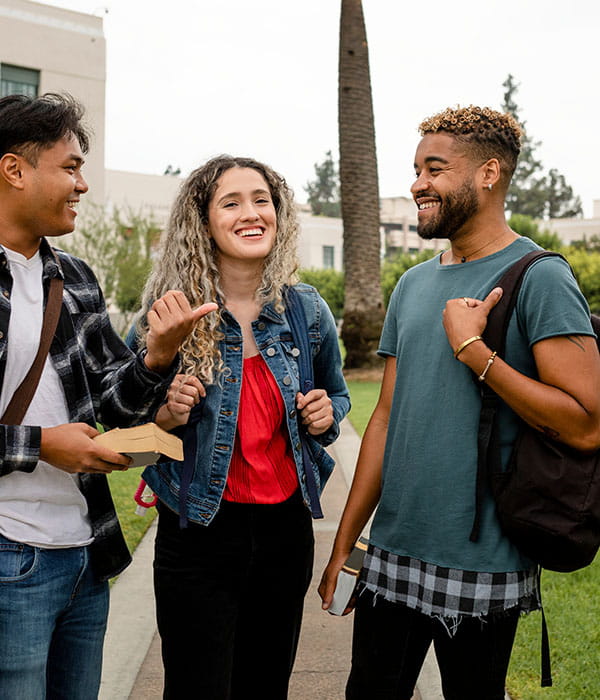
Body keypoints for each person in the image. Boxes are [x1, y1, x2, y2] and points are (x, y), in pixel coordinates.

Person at [319, 105, 600, 700]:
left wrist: (475, 351)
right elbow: (386, 420)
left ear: (488, 173)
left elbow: (586, 425)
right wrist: (347, 542)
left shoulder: (541, 277)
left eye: (435, 168)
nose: (418, 183)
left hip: (484, 560)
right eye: (416, 168)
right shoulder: (413, 284)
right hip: (392, 554)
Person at [0, 92, 216, 699]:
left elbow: (111, 411)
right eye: (69, 167)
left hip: (84, 552)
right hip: (8, 556)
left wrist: (156, 355)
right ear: (15, 170)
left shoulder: (73, 279)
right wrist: (42, 445)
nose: (82, 184)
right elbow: (51, 438)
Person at [129, 154, 350, 700]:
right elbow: (125, 427)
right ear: (202, 221)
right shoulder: (169, 315)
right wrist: (166, 414)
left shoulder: (306, 311)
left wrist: (326, 415)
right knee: (197, 687)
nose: (252, 213)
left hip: (285, 533)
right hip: (199, 533)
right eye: (231, 202)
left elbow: (337, 395)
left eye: (262, 200)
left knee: (265, 685)